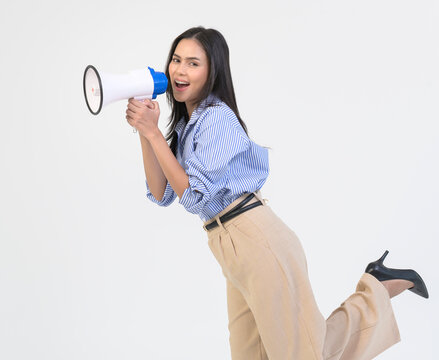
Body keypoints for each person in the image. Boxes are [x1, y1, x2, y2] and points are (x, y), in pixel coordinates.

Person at [125, 26, 428, 360]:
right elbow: (162, 193)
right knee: (257, 354)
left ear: (213, 72)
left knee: (301, 354)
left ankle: (377, 290)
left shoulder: (218, 119)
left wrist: (153, 134)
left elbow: (194, 195)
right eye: (176, 60)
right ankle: (379, 285)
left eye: (193, 63)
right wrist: (145, 131)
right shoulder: (187, 125)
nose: (180, 70)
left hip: (255, 236)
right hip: (228, 246)